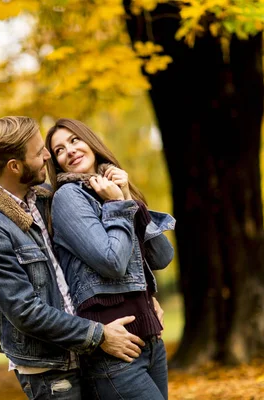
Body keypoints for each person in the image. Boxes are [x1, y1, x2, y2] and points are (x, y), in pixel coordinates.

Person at [0, 116, 146, 400]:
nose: (49, 156)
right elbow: (25, 312)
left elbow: (93, 257)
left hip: (91, 353)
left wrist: (146, 296)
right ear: (15, 166)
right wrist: (99, 335)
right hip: (52, 371)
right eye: (39, 153)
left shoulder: (44, 198)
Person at [45, 118, 176, 400]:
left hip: (151, 341)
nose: (69, 150)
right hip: (114, 353)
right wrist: (117, 205)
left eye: (74, 140)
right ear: (56, 163)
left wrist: (128, 198)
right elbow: (112, 263)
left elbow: (162, 256)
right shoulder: (68, 197)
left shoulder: (115, 190)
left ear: (90, 142)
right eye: (59, 150)